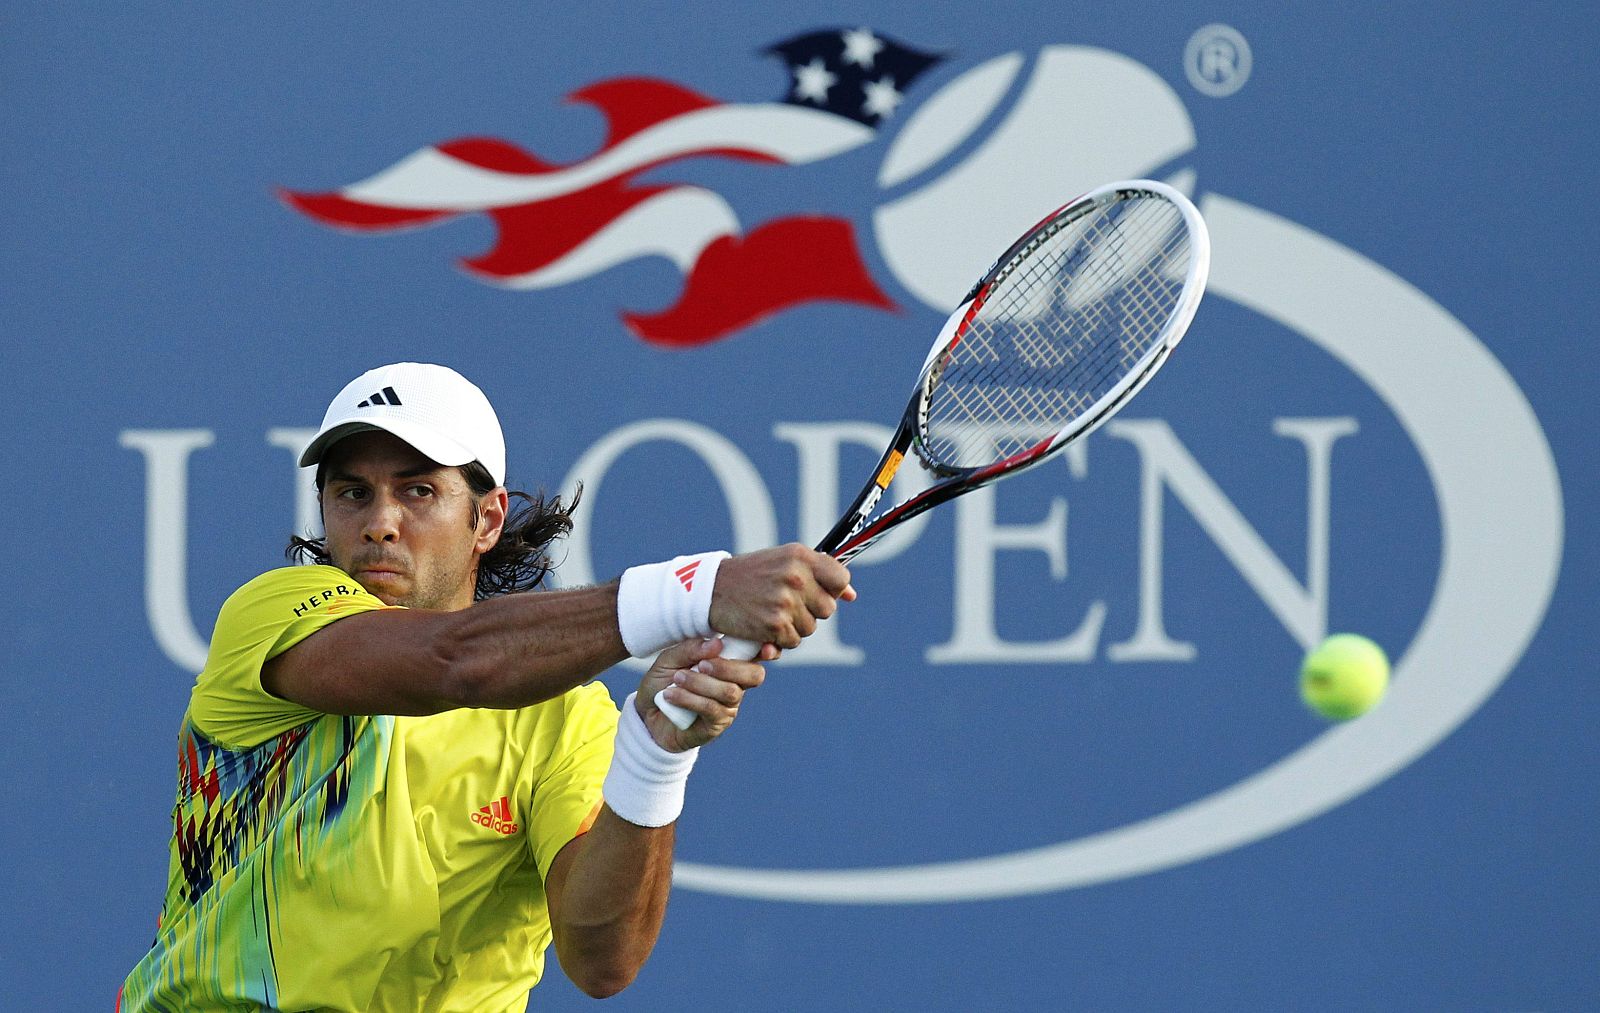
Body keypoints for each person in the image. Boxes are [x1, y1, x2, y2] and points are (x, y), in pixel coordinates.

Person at [120, 362, 853, 1011]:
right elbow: (454, 661)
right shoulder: (272, 617)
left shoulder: (565, 721)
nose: (380, 523)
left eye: (417, 491)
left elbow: (602, 960)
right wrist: (697, 589)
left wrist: (657, 753)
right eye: (352, 493)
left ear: (487, 518)